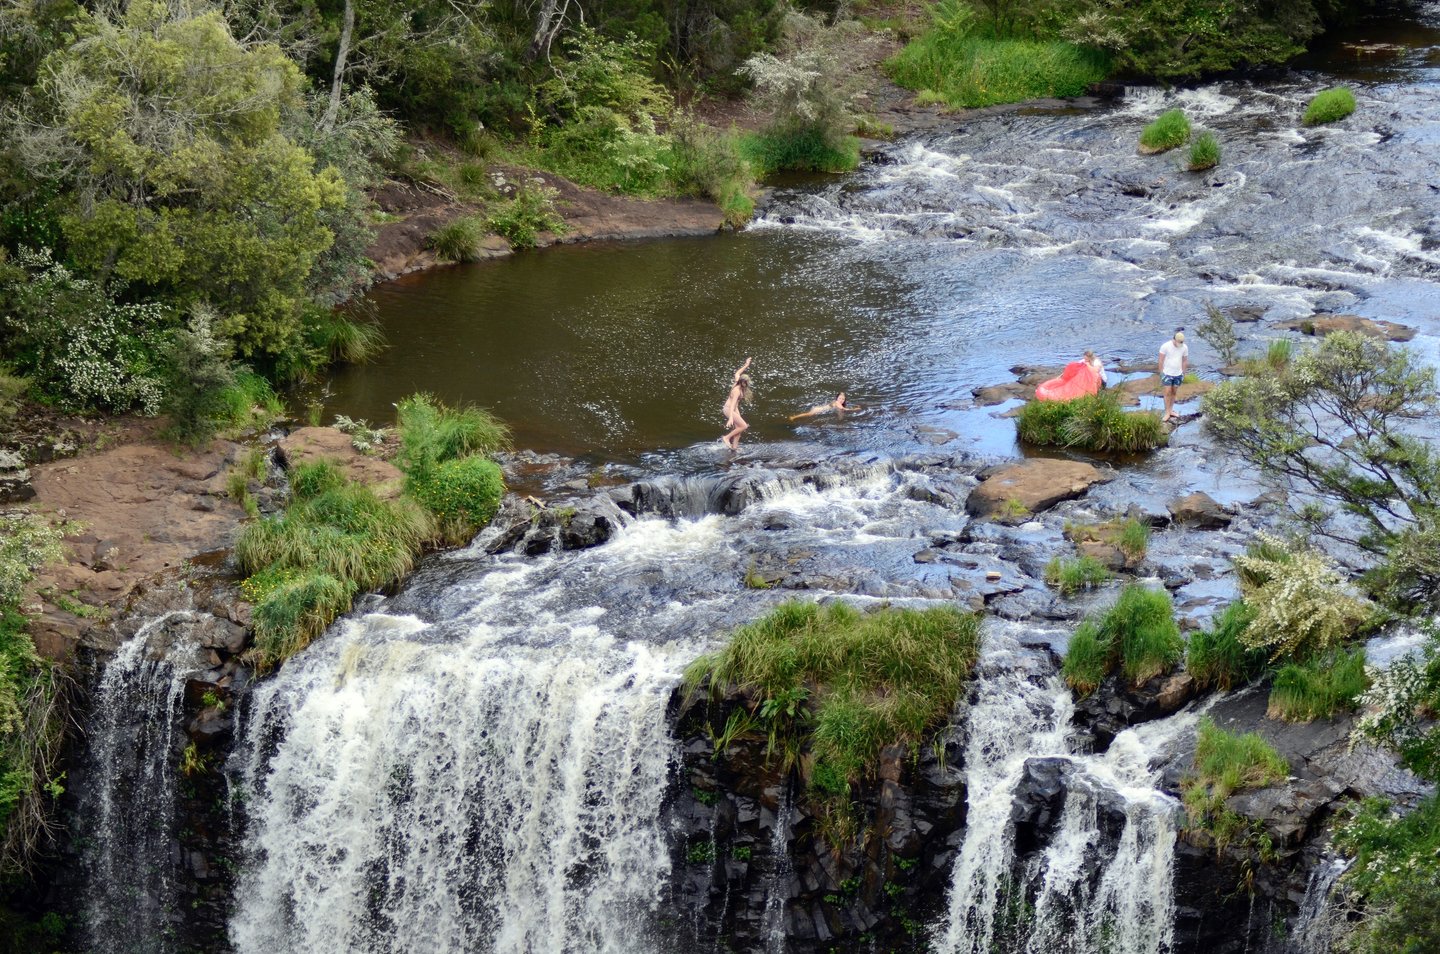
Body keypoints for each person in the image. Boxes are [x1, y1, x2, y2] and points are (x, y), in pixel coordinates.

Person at [722, 357, 753, 449]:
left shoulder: (738, 381)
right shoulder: (737, 390)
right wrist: (731, 417)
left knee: (739, 429)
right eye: (746, 383)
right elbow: (732, 404)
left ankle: (734, 448)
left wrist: (746, 365)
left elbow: (737, 373)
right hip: (729, 409)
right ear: (742, 382)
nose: (747, 385)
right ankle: (726, 438)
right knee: (743, 426)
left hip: (735, 409)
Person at [1158, 330, 1189, 423]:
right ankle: (1167, 412)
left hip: (1178, 374)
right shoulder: (1165, 346)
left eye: (1181, 342)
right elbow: (1160, 360)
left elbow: (1184, 361)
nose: (1180, 344)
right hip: (1167, 373)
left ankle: (1171, 410)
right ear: (1174, 339)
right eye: (1179, 342)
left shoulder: (1184, 347)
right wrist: (1161, 373)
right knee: (1167, 392)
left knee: (1174, 392)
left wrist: (1183, 373)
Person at [790, 392, 859, 421]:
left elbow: (841, 409)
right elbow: (844, 409)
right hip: (817, 410)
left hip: (819, 408)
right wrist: (855, 409)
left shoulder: (836, 402)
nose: (841, 400)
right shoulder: (837, 402)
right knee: (809, 414)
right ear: (837, 398)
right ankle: (794, 417)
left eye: (843, 399)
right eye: (840, 398)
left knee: (840, 412)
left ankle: (840, 420)